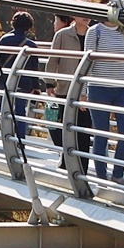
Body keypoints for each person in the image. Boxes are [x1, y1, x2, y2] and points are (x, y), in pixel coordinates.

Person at [83, 2, 124, 185]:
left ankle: (118, 175)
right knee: (102, 133)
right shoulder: (95, 31)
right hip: (99, 88)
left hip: (123, 89)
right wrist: (82, 91)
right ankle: (101, 176)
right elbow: (87, 62)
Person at [49, 11, 85, 154]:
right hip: (64, 89)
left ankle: (79, 160)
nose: (54, 24)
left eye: (56, 20)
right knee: (57, 124)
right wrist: (49, 83)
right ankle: (64, 155)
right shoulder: (62, 35)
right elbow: (53, 60)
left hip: (85, 91)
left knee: (82, 130)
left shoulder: (94, 34)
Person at [0, 11, 38, 144]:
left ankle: (6, 136)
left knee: (3, 108)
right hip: (24, 82)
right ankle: (20, 139)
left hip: (6, 79)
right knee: (20, 110)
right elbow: (34, 67)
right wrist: (36, 86)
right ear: (29, 27)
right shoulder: (31, 45)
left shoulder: (4, 40)